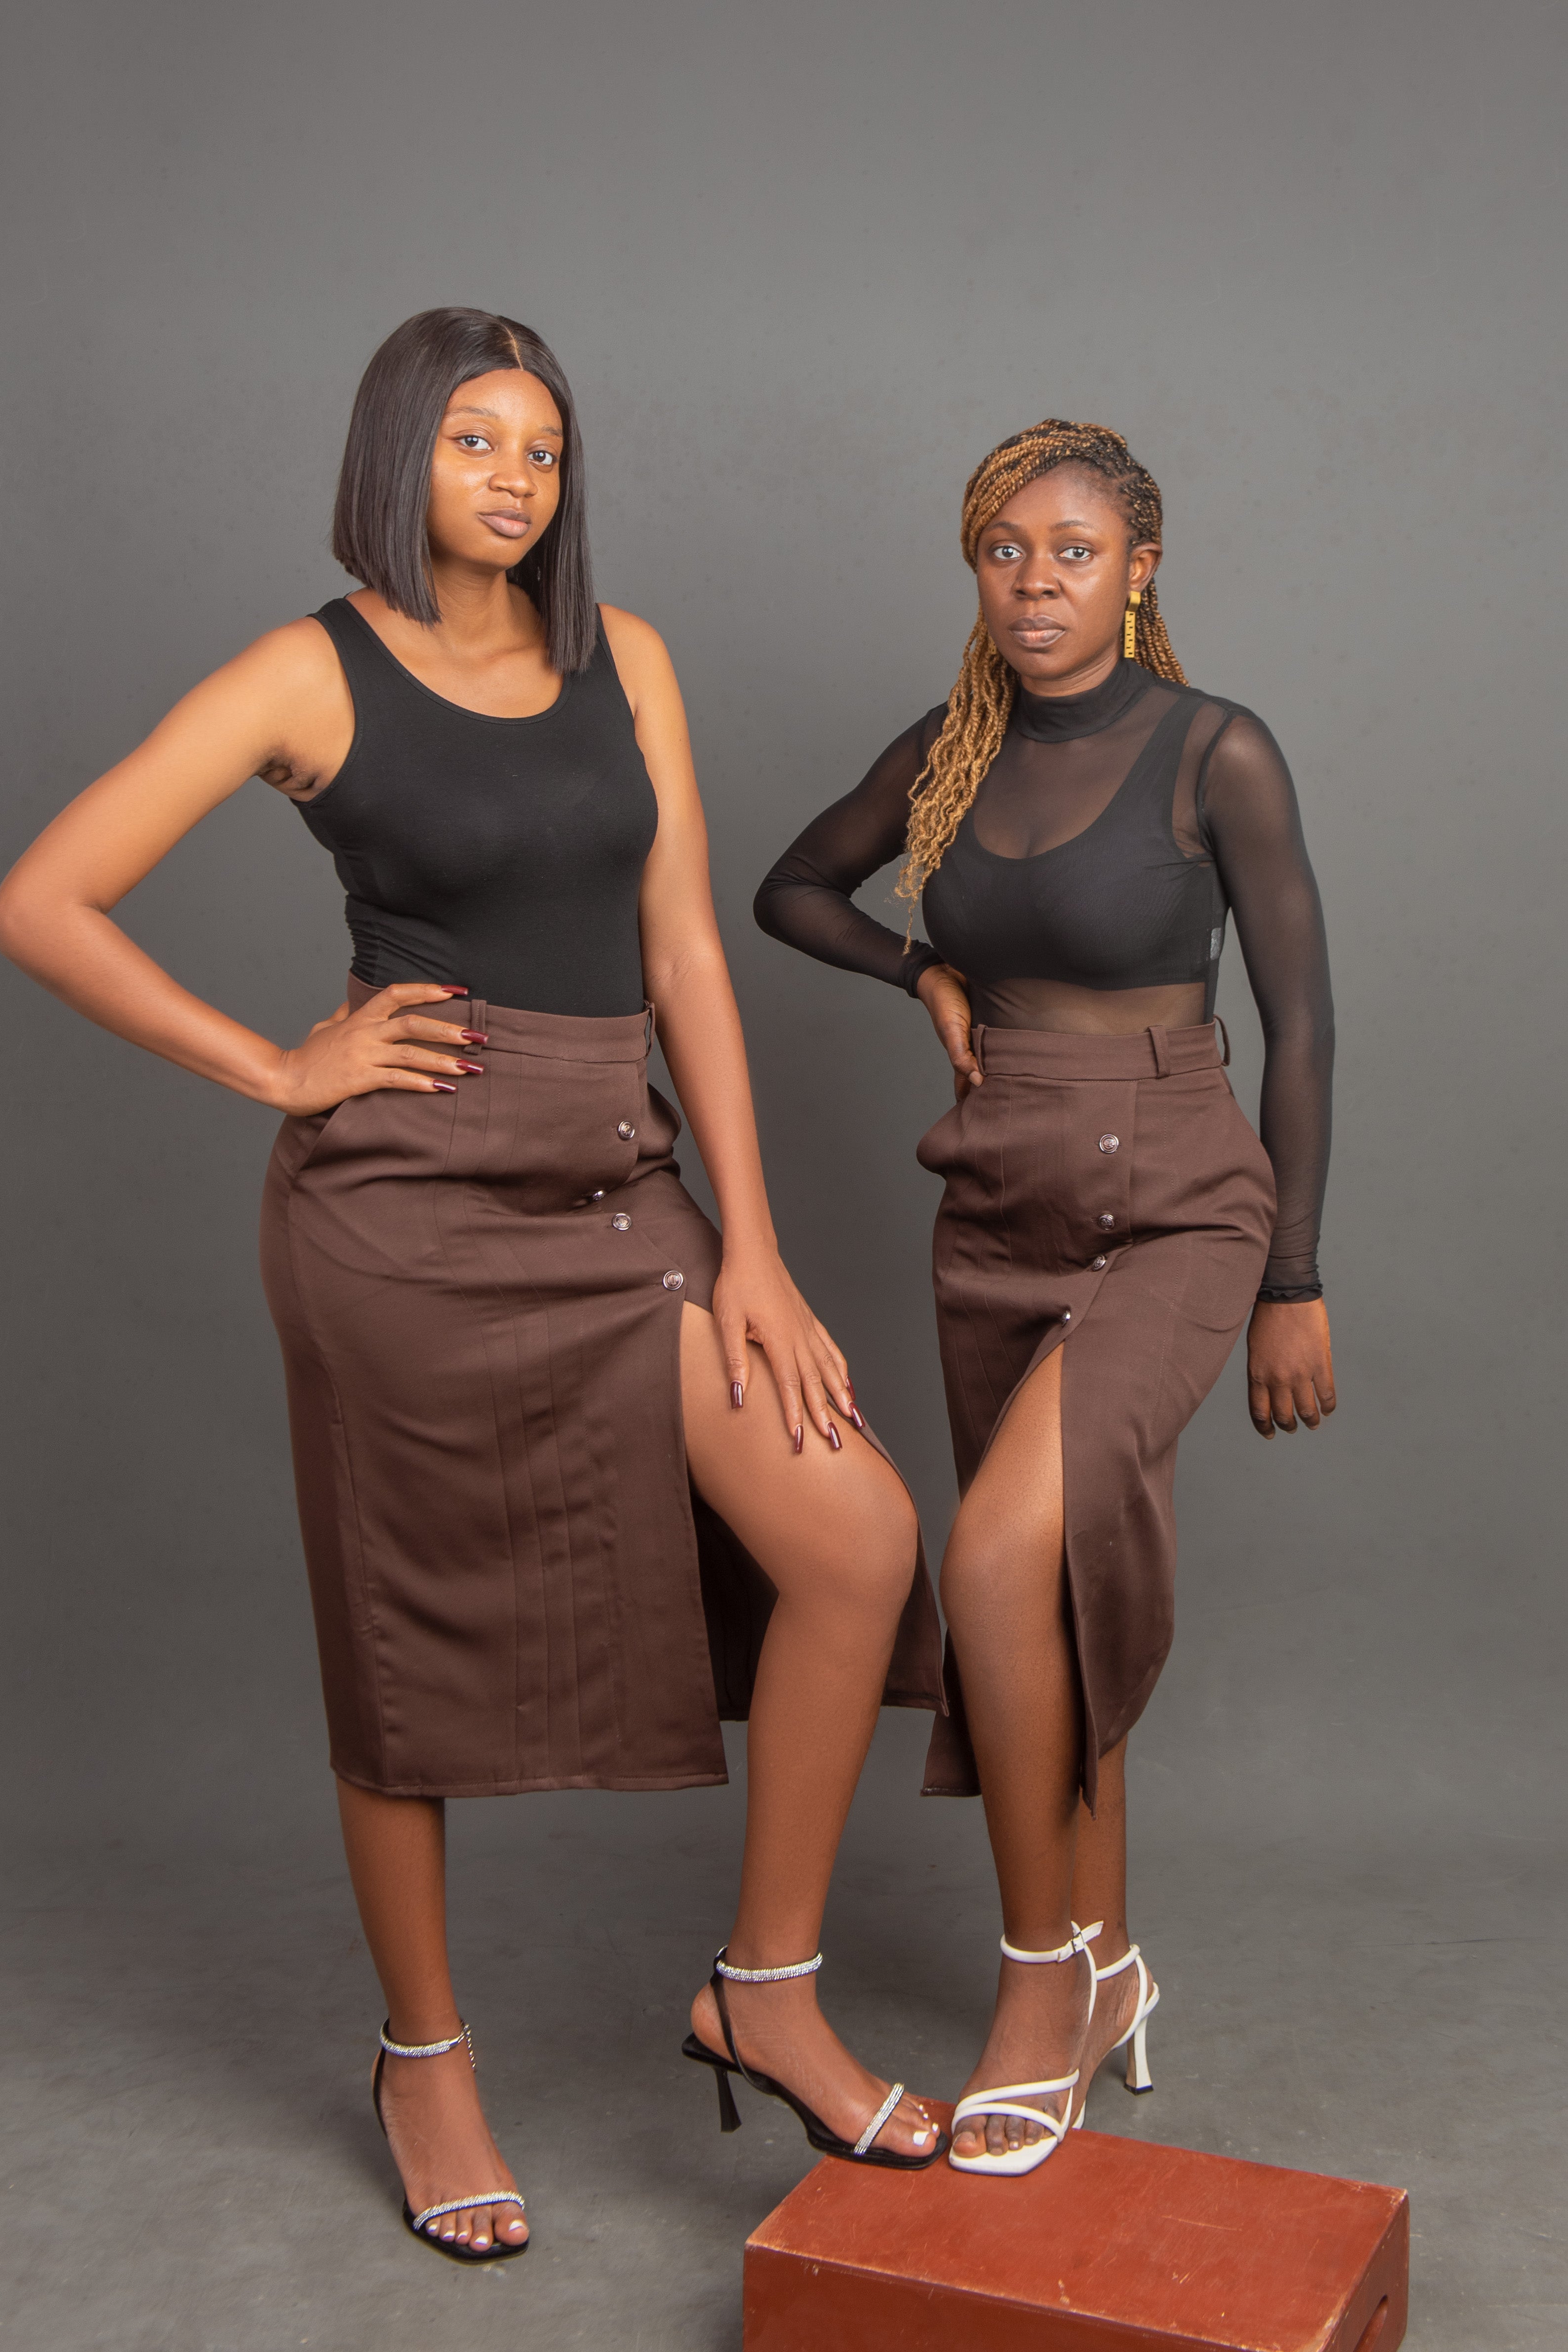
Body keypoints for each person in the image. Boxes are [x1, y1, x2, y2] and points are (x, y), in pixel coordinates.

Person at [0, 307, 948, 2261]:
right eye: (475, 441)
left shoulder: (626, 657)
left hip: (617, 1186)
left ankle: (766, 1989)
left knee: (854, 1533)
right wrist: (279, 1065)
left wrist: (755, 1248)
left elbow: (684, 955)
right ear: (396, 453)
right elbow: (42, 898)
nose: (517, 479)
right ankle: (423, 2054)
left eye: (544, 447)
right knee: (400, 1634)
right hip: (400, 1219)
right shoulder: (308, 670)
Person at [755, 418, 1336, 2177]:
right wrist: (920, 968)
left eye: (1073, 552)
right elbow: (790, 889)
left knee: (1002, 1554)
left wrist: (1293, 1276)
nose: (1034, 584)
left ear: (1139, 568)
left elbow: (1302, 1021)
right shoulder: (951, 747)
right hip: (997, 1203)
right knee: (1052, 1593)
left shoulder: (1216, 749)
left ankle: (1043, 1986)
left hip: (1179, 1200)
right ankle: (1116, 1952)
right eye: (1004, 551)